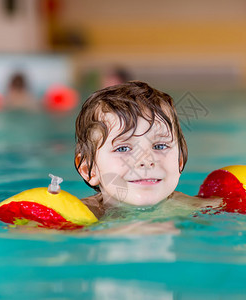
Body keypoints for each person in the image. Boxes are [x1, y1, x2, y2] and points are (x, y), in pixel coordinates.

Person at [74, 81, 221, 224]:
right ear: (89, 170)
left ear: (180, 161)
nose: (146, 160)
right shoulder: (78, 216)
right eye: (123, 148)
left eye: (160, 146)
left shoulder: (201, 209)